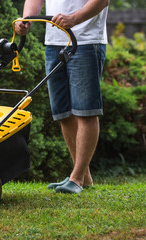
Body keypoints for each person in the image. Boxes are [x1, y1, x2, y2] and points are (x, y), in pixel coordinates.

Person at [15, 0, 109, 193]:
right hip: (54, 43)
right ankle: (84, 177)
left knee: (86, 111)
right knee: (63, 113)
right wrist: (26, 19)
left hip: (86, 41)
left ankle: (76, 178)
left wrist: (74, 19)